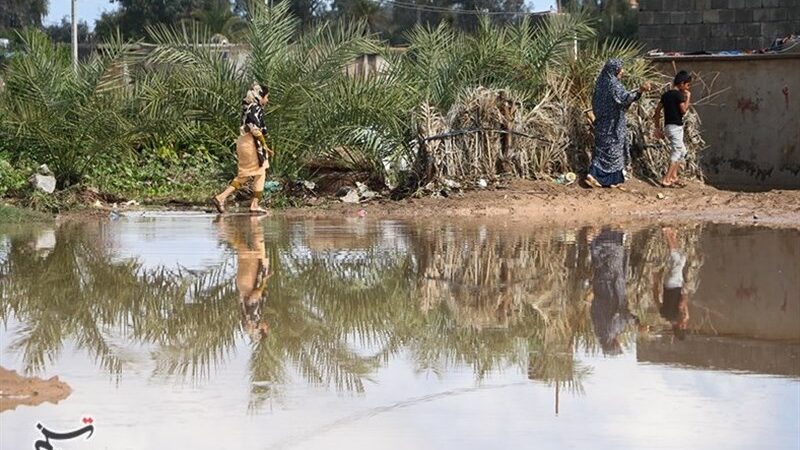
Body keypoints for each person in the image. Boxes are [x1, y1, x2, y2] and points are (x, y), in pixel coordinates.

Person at [586, 59, 652, 189]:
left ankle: (609, 180)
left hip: (601, 122)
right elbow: (624, 98)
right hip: (613, 124)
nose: (623, 71)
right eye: (620, 69)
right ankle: (594, 175)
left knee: (602, 151)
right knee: (613, 151)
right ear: (615, 70)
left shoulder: (600, 83)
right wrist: (640, 91)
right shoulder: (614, 84)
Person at [211, 82, 273, 214]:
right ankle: (221, 197)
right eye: (266, 97)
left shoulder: (248, 107)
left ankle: (254, 204)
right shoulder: (255, 108)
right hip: (251, 144)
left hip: (246, 142)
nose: (267, 100)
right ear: (260, 96)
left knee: (259, 172)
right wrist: (265, 145)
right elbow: (255, 129)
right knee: (247, 175)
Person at [588, 227, 639, 355]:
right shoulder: (599, 329)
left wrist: (635, 322)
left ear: (614, 344)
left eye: (618, 345)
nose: (620, 343)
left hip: (612, 283)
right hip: (601, 284)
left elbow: (621, 316)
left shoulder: (610, 331)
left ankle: (610, 232)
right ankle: (599, 237)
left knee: (612, 255)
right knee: (601, 258)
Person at [654, 70, 692, 187]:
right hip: (676, 128)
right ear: (681, 84)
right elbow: (684, 110)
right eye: (687, 85)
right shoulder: (679, 95)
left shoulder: (665, 95)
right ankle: (666, 179)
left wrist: (658, 128)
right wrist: (688, 98)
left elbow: (657, 111)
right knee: (676, 152)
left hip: (668, 127)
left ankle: (674, 177)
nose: (687, 87)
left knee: (682, 151)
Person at [652, 227, 690, 340]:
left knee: (677, 259)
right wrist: (656, 282)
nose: (685, 325)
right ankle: (673, 235)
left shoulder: (678, 316)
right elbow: (656, 299)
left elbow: (682, 301)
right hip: (667, 284)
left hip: (675, 284)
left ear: (680, 327)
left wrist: (686, 314)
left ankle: (667, 233)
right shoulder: (665, 315)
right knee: (681, 259)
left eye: (684, 327)